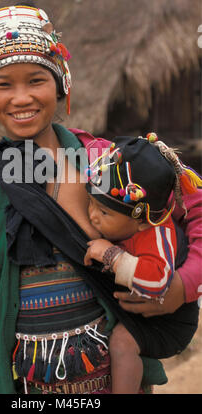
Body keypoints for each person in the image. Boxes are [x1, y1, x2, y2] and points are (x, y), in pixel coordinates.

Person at [0, 4, 202, 394]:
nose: (21, 97)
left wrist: (181, 285)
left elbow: (194, 210)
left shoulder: (107, 161)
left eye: (35, 80)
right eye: (3, 84)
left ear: (61, 84)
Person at [83, 134, 201, 393]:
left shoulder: (155, 235)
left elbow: (158, 282)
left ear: (142, 222)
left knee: (122, 344)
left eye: (103, 212)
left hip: (170, 319)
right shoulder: (128, 219)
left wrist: (111, 255)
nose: (92, 216)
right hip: (142, 303)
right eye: (90, 203)